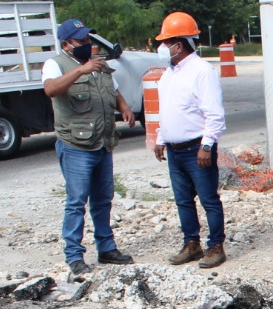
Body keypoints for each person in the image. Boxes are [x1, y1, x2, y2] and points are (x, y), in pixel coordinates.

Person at [42, 18, 134, 278]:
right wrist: (80, 71)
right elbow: (50, 90)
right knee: (76, 202)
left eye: (88, 40)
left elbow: (113, 91)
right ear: (66, 44)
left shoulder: (99, 66)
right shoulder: (56, 64)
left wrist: (124, 108)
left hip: (103, 143)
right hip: (76, 146)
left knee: (103, 200)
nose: (87, 44)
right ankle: (74, 255)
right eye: (81, 41)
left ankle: (106, 248)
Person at [153, 12, 228, 269]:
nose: (162, 47)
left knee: (208, 199)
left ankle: (216, 246)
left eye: (167, 42)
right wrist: (161, 139)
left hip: (197, 148)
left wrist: (207, 145)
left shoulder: (202, 72)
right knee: (183, 200)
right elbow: (167, 110)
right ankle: (192, 243)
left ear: (180, 43)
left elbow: (214, 114)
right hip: (175, 150)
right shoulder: (169, 74)